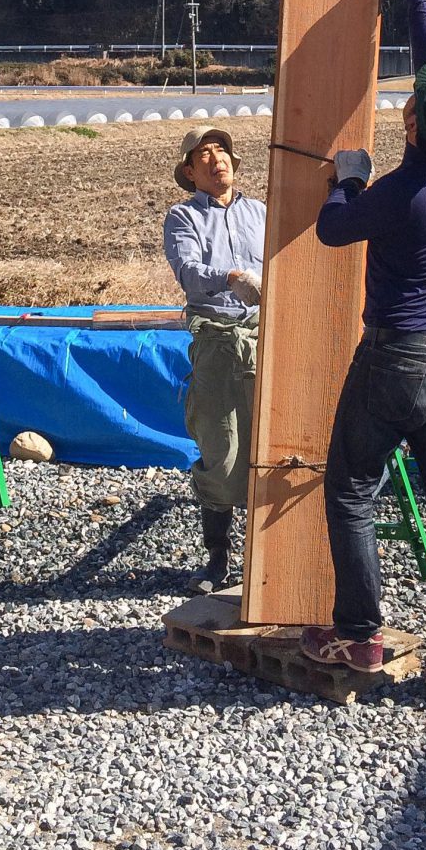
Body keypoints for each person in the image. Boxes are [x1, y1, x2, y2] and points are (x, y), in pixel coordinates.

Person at [300, 0, 426, 690]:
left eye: (408, 109)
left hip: (395, 359)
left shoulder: (402, 191)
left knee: (349, 489)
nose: (407, 105)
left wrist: (347, 180)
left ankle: (358, 639)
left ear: (413, 131)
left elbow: (331, 231)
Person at [164, 124, 266, 592]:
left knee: (277, 440)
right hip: (217, 340)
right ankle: (218, 560)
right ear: (190, 171)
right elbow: (188, 272)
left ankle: (272, 556)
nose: (215, 158)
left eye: (221, 150)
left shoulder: (263, 212)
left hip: (268, 334)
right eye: (203, 154)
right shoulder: (183, 218)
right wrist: (230, 278)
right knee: (220, 445)